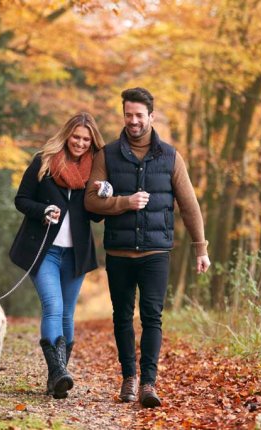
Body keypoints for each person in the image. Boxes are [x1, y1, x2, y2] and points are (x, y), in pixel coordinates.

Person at [84, 88, 211, 408]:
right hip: (119, 253)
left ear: (151, 117)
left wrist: (201, 248)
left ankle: (149, 384)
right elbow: (90, 201)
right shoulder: (107, 155)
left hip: (156, 253)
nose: (134, 121)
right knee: (122, 317)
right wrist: (124, 203)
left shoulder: (170, 157)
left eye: (140, 115)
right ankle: (129, 378)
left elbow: (189, 205)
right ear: (123, 115)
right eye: (128, 115)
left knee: (153, 317)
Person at [9, 112, 107, 399]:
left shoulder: (95, 172)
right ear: (67, 135)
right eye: (76, 137)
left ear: (92, 143)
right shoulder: (44, 161)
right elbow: (21, 199)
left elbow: (97, 218)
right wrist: (43, 211)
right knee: (52, 305)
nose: (79, 143)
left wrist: (102, 194)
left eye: (85, 139)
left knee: (67, 312)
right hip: (44, 251)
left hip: (75, 255)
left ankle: (58, 376)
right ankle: (58, 372)